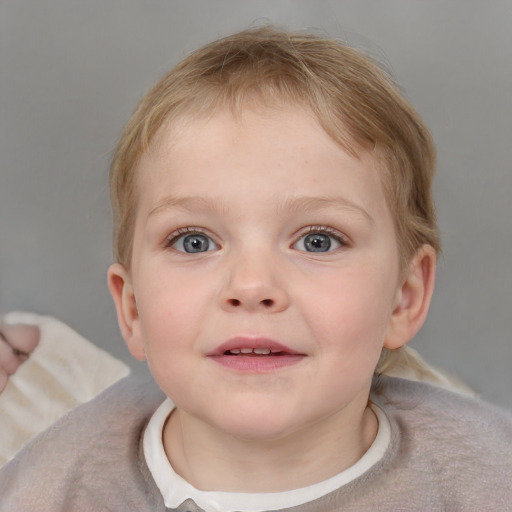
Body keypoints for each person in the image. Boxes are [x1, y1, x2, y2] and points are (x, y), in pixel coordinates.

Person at [0, 26, 510, 511]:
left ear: (404, 296)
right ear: (132, 307)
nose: (251, 285)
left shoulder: (487, 479)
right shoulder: (56, 487)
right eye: (195, 241)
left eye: (317, 240)